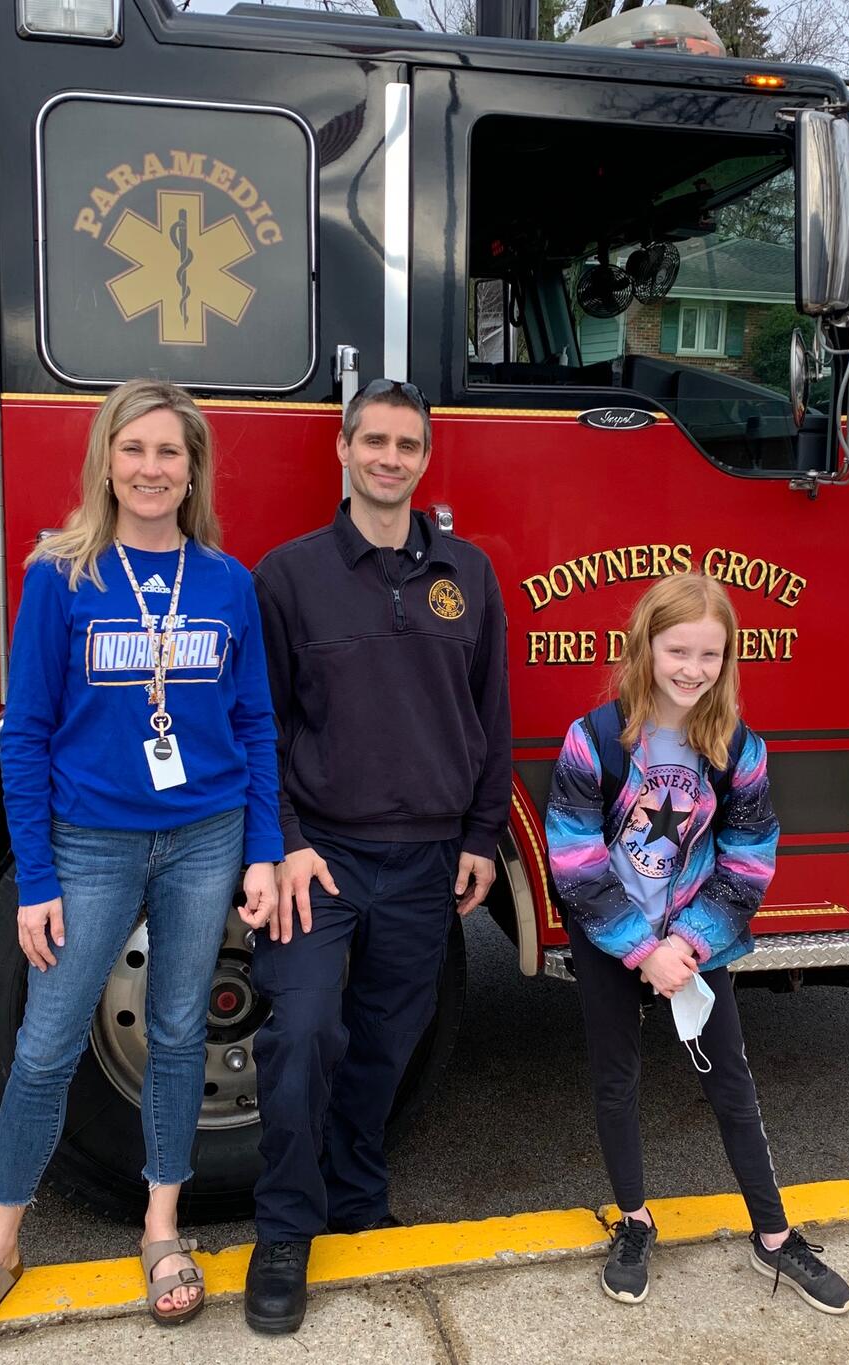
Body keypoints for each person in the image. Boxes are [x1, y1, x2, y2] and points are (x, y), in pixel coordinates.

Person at [0, 380, 283, 1349]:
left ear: (193, 470)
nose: (150, 468)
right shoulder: (61, 576)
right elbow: (26, 736)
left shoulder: (227, 582)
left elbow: (256, 725)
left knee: (178, 1034)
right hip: (90, 844)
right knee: (47, 1044)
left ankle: (162, 1228)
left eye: (169, 452)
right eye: (134, 449)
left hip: (206, 836)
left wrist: (262, 851)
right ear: (106, 461)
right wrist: (38, 879)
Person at [245, 377, 511, 1335]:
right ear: (344, 450)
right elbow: (260, 727)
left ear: (425, 459)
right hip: (320, 859)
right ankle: (285, 1232)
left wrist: (481, 837)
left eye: (407, 444)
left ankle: (355, 1200)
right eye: (374, 441)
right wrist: (285, 843)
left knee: (389, 1042)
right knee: (304, 1033)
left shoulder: (469, 574)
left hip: (427, 858)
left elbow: (491, 716)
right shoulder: (287, 575)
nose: (390, 458)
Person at [546, 573, 849, 1316]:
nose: (692, 668)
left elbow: (749, 859)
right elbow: (575, 861)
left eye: (709, 654)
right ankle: (634, 1221)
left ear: (728, 659)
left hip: (693, 938)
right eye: (677, 650)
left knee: (731, 1082)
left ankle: (774, 1236)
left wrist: (687, 942)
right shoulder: (594, 741)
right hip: (610, 935)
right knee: (616, 1078)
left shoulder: (737, 748)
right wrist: (640, 948)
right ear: (645, 647)